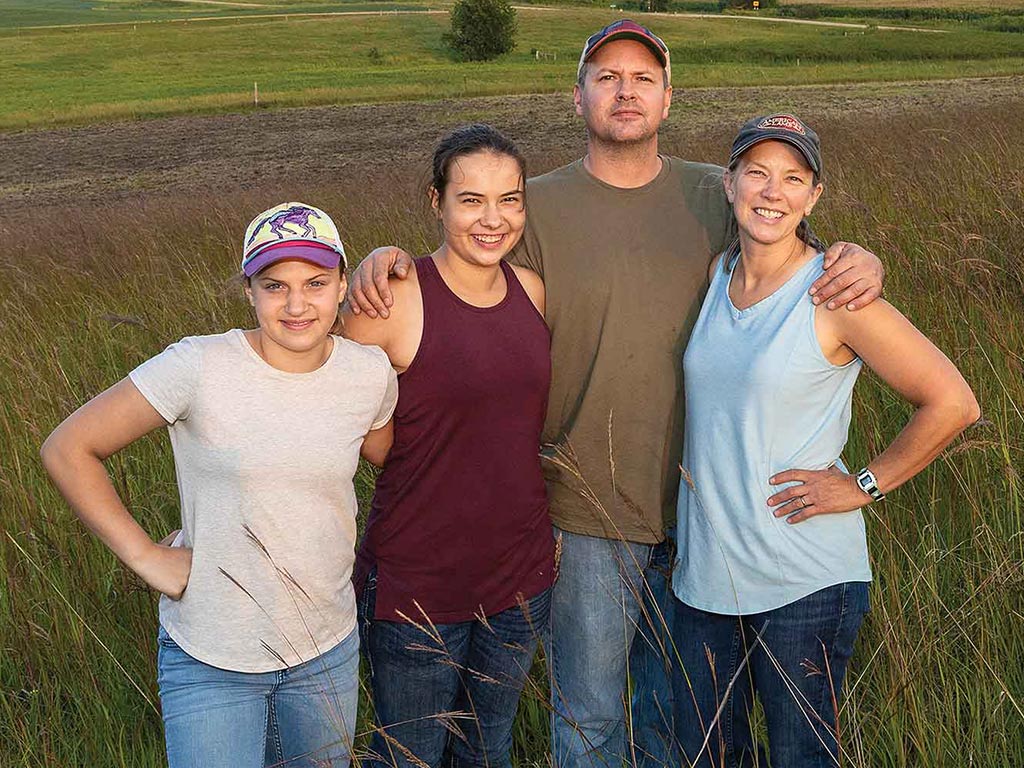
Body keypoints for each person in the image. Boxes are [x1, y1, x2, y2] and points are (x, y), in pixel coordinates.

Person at [346, 21, 885, 767]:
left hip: (707, 516)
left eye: (642, 77)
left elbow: (794, 243)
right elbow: (459, 267)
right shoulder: (530, 206)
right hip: (586, 513)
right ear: (578, 97)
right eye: (606, 76)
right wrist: (384, 260)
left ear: (668, 98)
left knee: (677, 724)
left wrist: (859, 254)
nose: (625, 90)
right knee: (589, 719)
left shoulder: (717, 191)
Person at [40, 202, 398, 768]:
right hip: (212, 656)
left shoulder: (367, 372)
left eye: (316, 283)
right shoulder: (199, 366)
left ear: (342, 286)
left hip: (324, 650)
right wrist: (144, 556)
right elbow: (67, 448)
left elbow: (391, 456)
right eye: (275, 285)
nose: (298, 304)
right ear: (248, 290)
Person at [670, 114, 979, 767]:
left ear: (813, 197)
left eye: (793, 178)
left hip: (802, 584)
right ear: (729, 184)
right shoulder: (716, 275)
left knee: (800, 757)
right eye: (757, 172)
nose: (772, 191)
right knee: (708, 756)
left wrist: (862, 485)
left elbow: (953, 402)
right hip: (705, 581)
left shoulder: (835, 293)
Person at [341, 124, 555, 768]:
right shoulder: (394, 298)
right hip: (418, 579)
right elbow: (359, 432)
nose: (493, 220)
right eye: (471, 200)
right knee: (411, 753)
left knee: (487, 748)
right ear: (436, 202)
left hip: (519, 576)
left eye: (509, 199)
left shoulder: (532, 291)